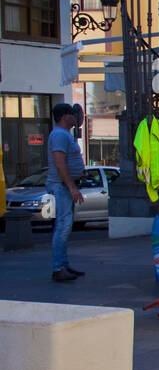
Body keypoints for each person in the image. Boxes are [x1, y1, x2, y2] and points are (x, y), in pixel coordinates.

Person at [47, 103, 86, 282]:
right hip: (61, 186)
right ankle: (58, 267)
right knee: (63, 226)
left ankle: (63, 264)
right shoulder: (59, 135)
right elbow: (59, 162)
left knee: (64, 226)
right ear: (64, 116)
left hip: (63, 185)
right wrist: (71, 187)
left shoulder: (63, 135)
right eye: (72, 114)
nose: (75, 118)